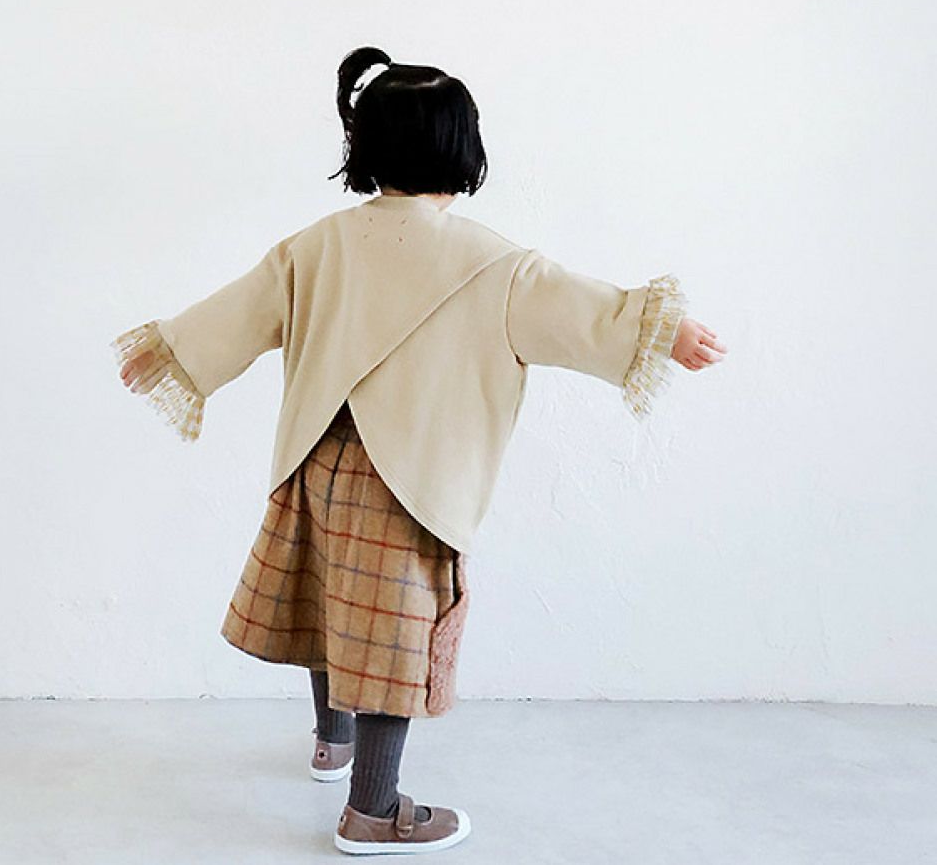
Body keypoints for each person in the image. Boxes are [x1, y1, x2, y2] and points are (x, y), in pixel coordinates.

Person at [110, 45, 728, 856]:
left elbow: (239, 312)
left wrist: (170, 352)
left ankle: (330, 743)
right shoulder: (497, 265)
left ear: (365, 147)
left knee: (327, 598)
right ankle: (373, 811)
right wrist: (664, 331)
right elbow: (584, 313)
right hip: (407, 485)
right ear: (463, 149)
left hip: (316, 459)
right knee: (388, 637)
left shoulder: (317, 246)